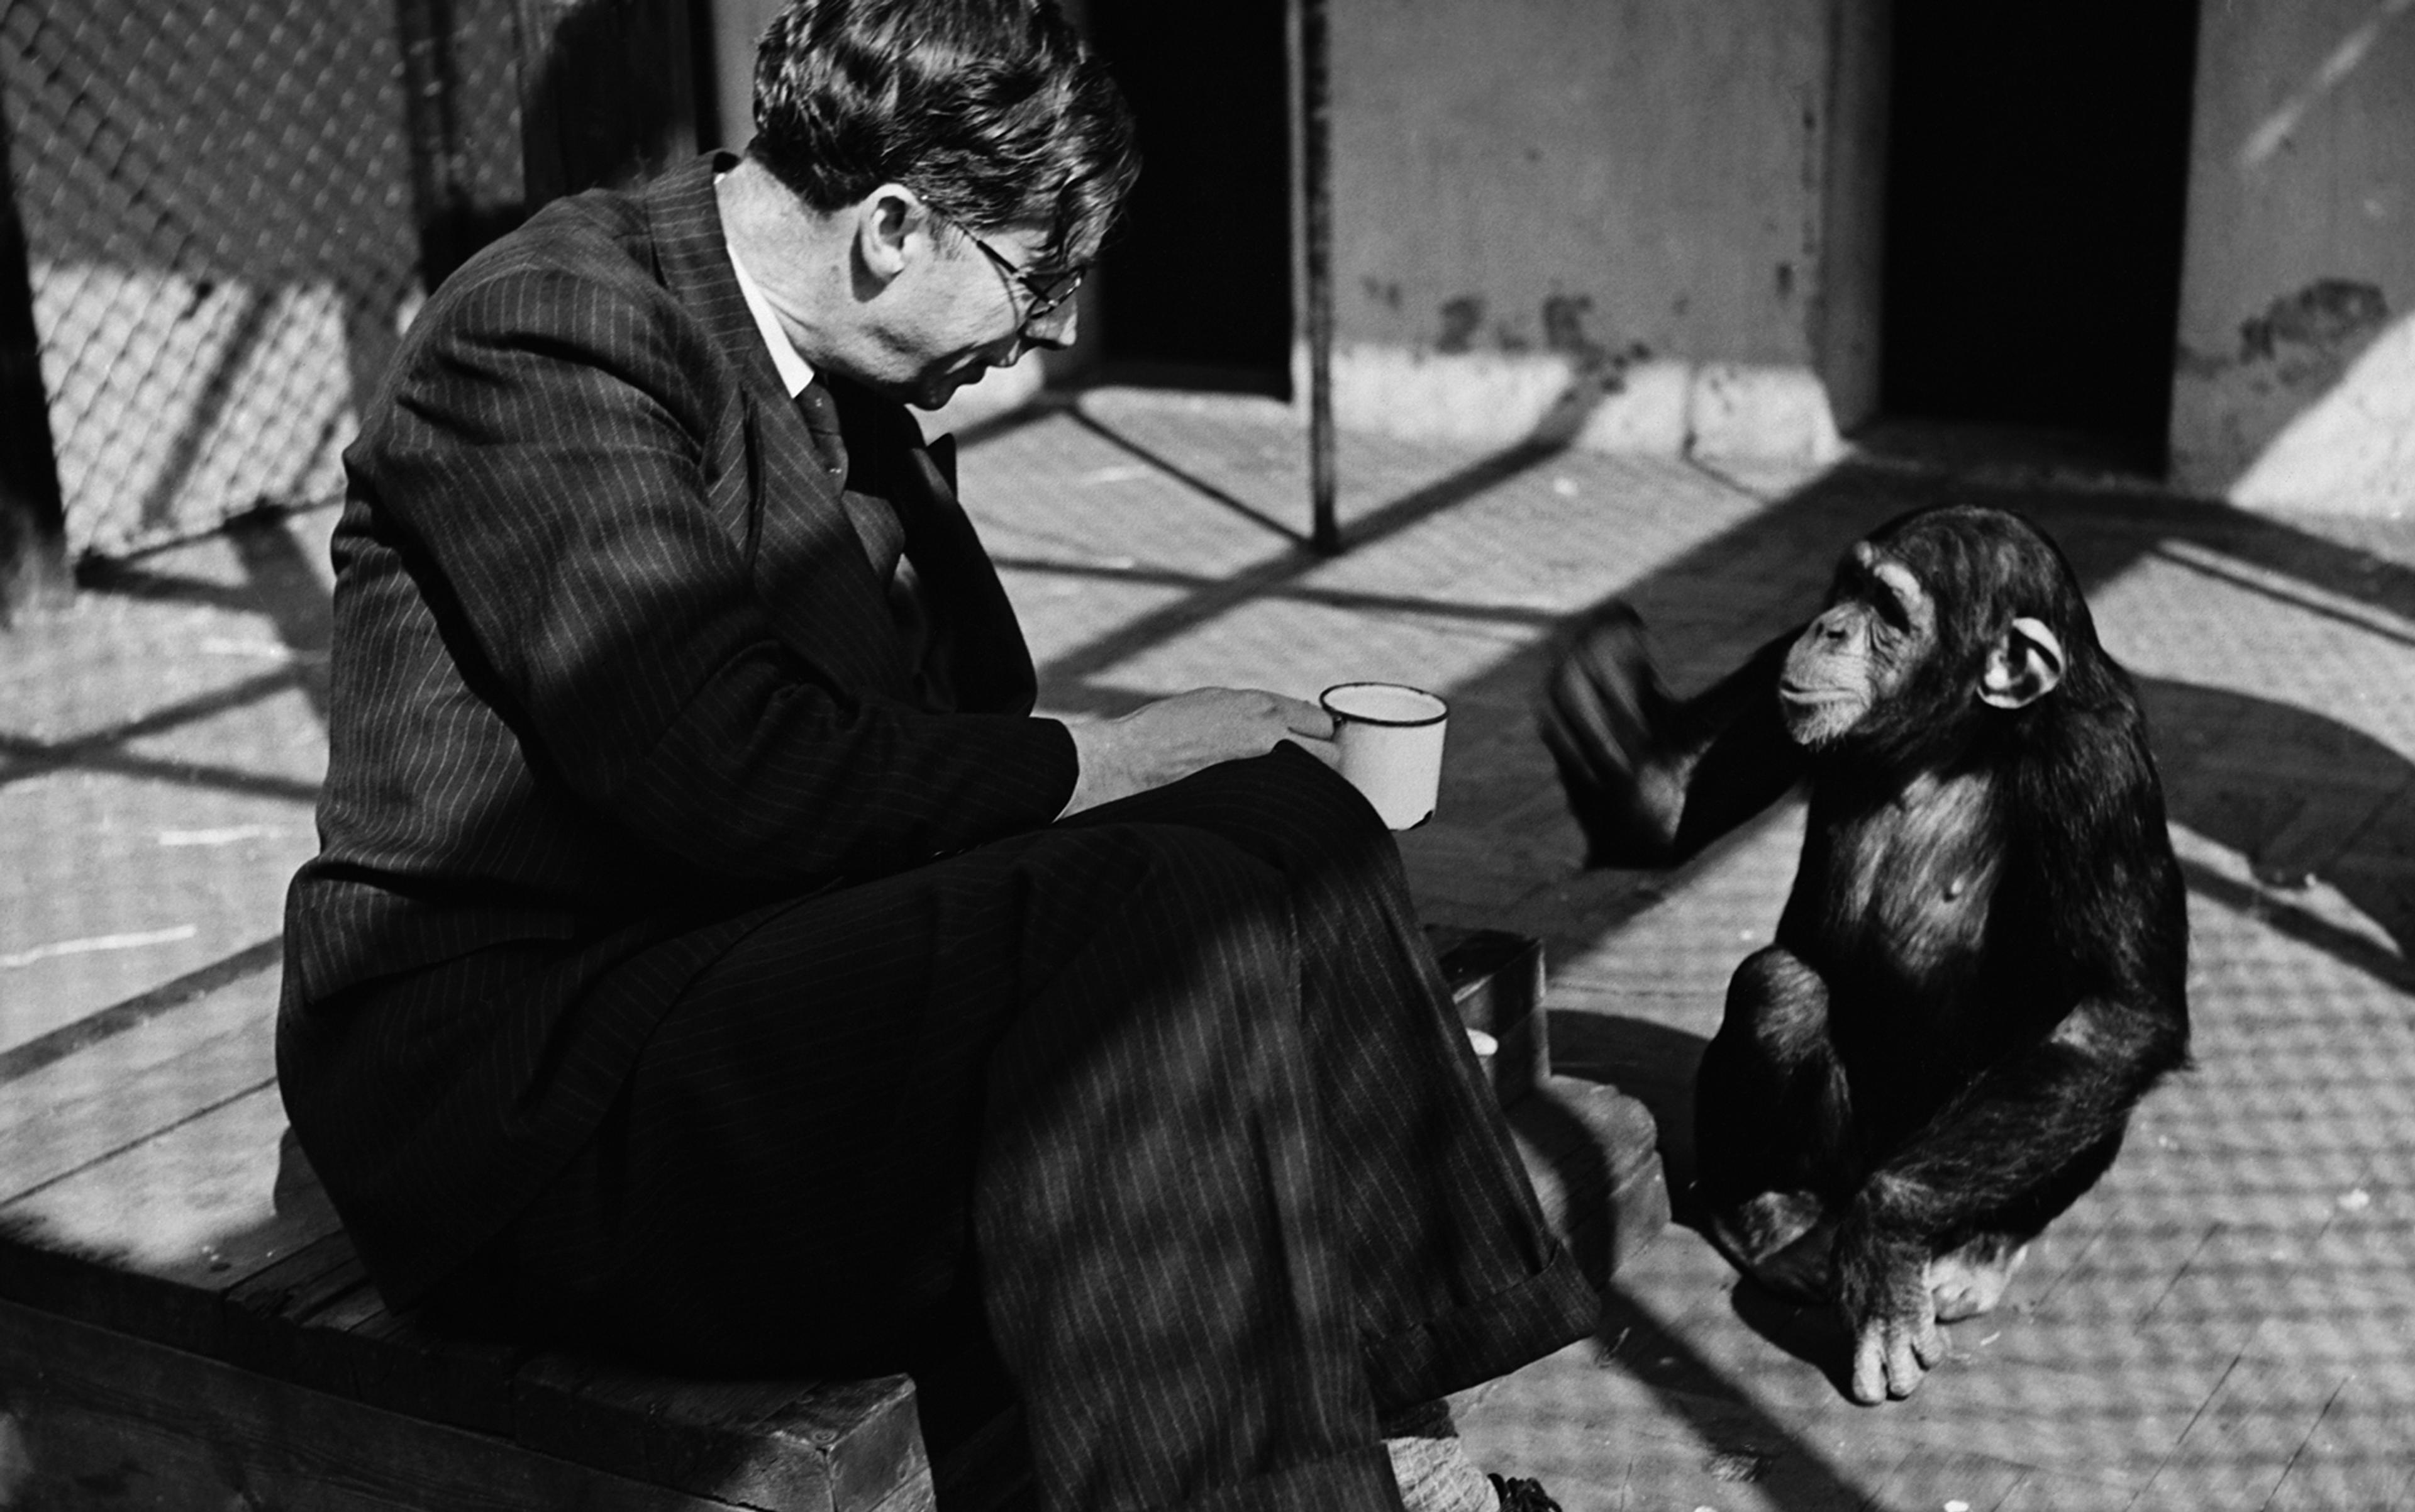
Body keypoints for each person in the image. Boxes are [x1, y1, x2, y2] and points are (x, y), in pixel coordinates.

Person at [277, 1, 1596, 1506]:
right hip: (525, 1087)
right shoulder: (555, 328)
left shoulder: (841, 366)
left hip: (726, 959)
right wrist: (1112, 755)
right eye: (1045, 283)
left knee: (1285, 809)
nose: (1062, 334)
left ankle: (1404, 1436)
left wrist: (1147, 762)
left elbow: (960, 719)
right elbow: (728, 768)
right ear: (896, 224)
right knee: (1138, 918)